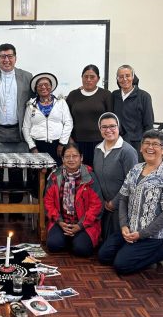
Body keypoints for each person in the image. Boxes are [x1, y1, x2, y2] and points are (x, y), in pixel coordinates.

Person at [98, 129, 163, 275]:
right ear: (141, 147)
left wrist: (142, 234)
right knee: (103, 256)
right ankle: (130, 251)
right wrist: (123, 226)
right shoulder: (135, 169)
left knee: (122, 266)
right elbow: (123, 198)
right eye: (146, 143)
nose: (150, 147)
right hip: (129, 231)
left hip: (152, 236)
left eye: (155, 144)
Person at [0, 43, 32, 206]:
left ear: (15, 58)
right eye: (3, 56)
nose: (6, 60)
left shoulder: (27, 76)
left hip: (18, 130)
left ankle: (16, 208)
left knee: (17, 168)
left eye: (10, 56)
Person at [44, 143, 103, 257]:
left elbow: (97, 207)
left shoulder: (90, 177)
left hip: (84, 224)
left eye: (75, 156)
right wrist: (60, 221)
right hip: (62, 222)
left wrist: (80, 225)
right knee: (53, 245)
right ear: (62, 159)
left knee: (82, 250)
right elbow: (48, 202)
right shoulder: (55, 176)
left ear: (81, 158)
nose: (71, 159)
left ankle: (74, 239)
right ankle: (68, 237)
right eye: (67, 156)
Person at [93, 112, 138, 240]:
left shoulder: (127, 151)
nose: (108, 130)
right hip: (104, 206)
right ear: (100, 129)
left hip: (121, 208)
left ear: (118, 127)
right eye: (104, 127)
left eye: (112, 126)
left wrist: (115, 202)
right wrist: (103, 202)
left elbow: (131, 182)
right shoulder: (97, 149)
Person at [22, 72, 73, 166]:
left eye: (46, 84)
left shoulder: (61, 102)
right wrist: (32, 147)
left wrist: (62, 143)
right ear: (36, 89)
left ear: (51, 87)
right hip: (38, 145)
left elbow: (68, 123)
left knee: (57, 174)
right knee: (39, 176)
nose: (43, 87)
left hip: (58, 145)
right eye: (40, 85)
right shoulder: (30, 105)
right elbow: (25, 128)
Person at [66, 64, 112, 167]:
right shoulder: (73, 95)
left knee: (98, 171)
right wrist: (69, 139)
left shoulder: (106, 94)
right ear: (81, 78)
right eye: (85, 76)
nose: (88, 80)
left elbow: (111, 119)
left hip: (101, 142)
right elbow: (66, 119)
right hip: (77, 142)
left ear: (98, 79)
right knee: (80, 173)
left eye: (92, 77)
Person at [112, 64, 154, 158]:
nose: (125, 79)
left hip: (137, 144)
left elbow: (148, 124)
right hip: (117, 142)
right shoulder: (114, 95)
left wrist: (146, 145)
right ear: (117, 79)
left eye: (127, 75)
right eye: (121, 77)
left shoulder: (144, 96)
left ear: (133, 77)